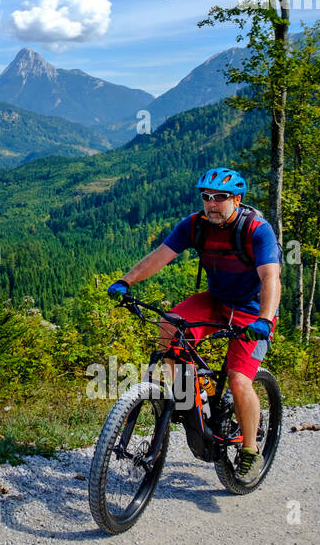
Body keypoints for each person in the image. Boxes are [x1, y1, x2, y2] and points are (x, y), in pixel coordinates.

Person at [106, 167, 281, 481]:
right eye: (206, 197)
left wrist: (265, 320)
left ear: (237, 200)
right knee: (170, 324)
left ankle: (251, 449)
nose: (211, 204)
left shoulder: (257, 230)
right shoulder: (195, 225)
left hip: (252, 311)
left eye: (219, 198)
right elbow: (160, 255)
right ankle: (186, 397)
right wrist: (125, 281)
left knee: (239, 381)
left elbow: (271, 277)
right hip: (216, 301)